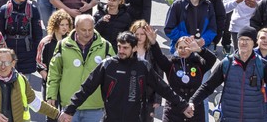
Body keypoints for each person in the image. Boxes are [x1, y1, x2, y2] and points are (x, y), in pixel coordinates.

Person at [63, 30, 193, 122]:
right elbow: (86, 88)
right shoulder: (107, 65)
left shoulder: (143, 66)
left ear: (135, 48)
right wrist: (69, 110)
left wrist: (183, 105)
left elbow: (163, 88)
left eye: (125, 48)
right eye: (119, 47)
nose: (120, 51)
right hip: (110, 119)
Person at [0, 47, 65, 122]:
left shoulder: (21, 80)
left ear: (13, 63)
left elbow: (35, 103)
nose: (2, 67)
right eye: (0, 62)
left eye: (6, 63)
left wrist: (58, 115)